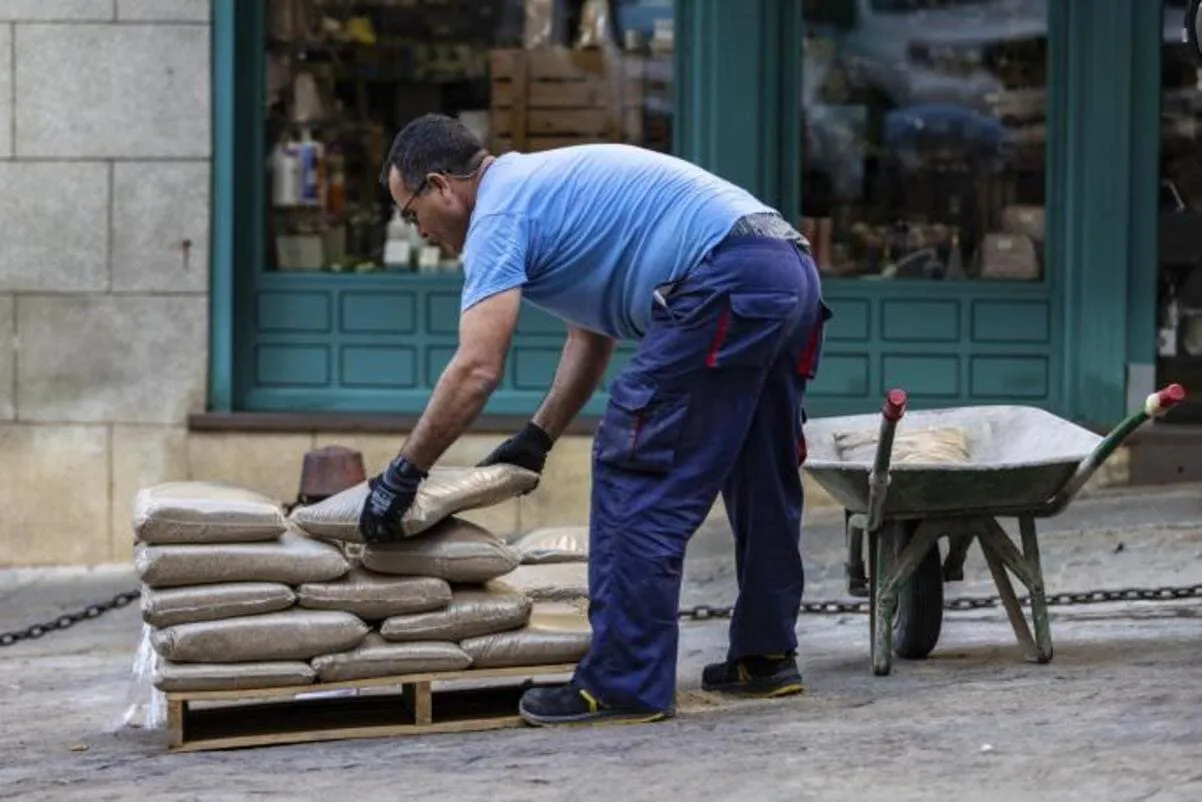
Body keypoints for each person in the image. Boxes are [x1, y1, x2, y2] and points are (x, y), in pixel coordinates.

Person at [358, 113, 831, 727]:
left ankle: (625, 683)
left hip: (723, 278)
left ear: (442, 185)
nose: (418, 230)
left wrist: (404, 473)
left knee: (633, 467)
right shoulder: (542, 190)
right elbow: (594, 332)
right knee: (759, 469)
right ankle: (765, 657)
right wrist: (537, 436)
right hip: (784, 268)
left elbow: (477, 368)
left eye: (410, 211)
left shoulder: (497, 218)